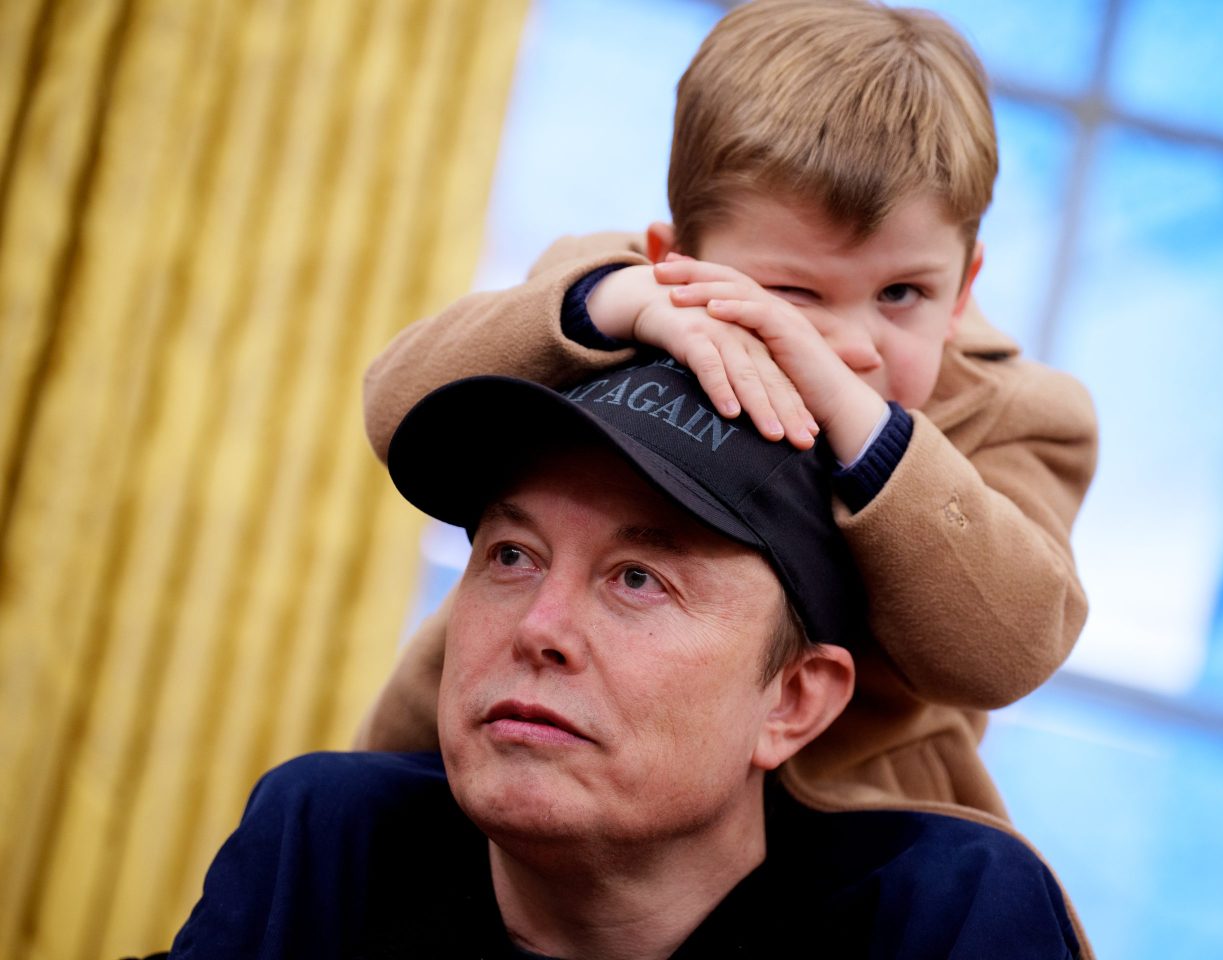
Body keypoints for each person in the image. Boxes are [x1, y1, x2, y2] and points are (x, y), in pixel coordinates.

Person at [357, 0, 1097, 821]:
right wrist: (617, 306)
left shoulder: (1024, 415)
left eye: (901, 294)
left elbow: (1006, 652)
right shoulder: (618, 299)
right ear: (679, 260)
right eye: (792, 294)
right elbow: (396, 408)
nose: (851, 348)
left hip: (827, 844)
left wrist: (869, 432)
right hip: (504, 766)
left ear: (963, 288)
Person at [168, 357, 1091, 959]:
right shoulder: (325, 845)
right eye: (512, 556)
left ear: (793, 700)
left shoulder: (941, 919)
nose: (540, 627)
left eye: (639, 579)